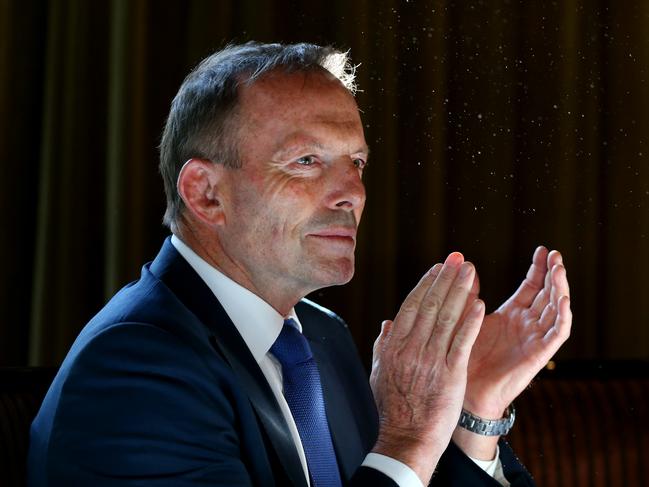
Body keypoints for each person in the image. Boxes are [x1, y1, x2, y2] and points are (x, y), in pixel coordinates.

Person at [28, 42, 572, 486]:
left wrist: (470, 414)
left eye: (356, 162)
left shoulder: (322, 339)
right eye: (307, 161)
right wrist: (408, 435)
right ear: (205, 193)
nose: (351, 193)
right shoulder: (136, 369)